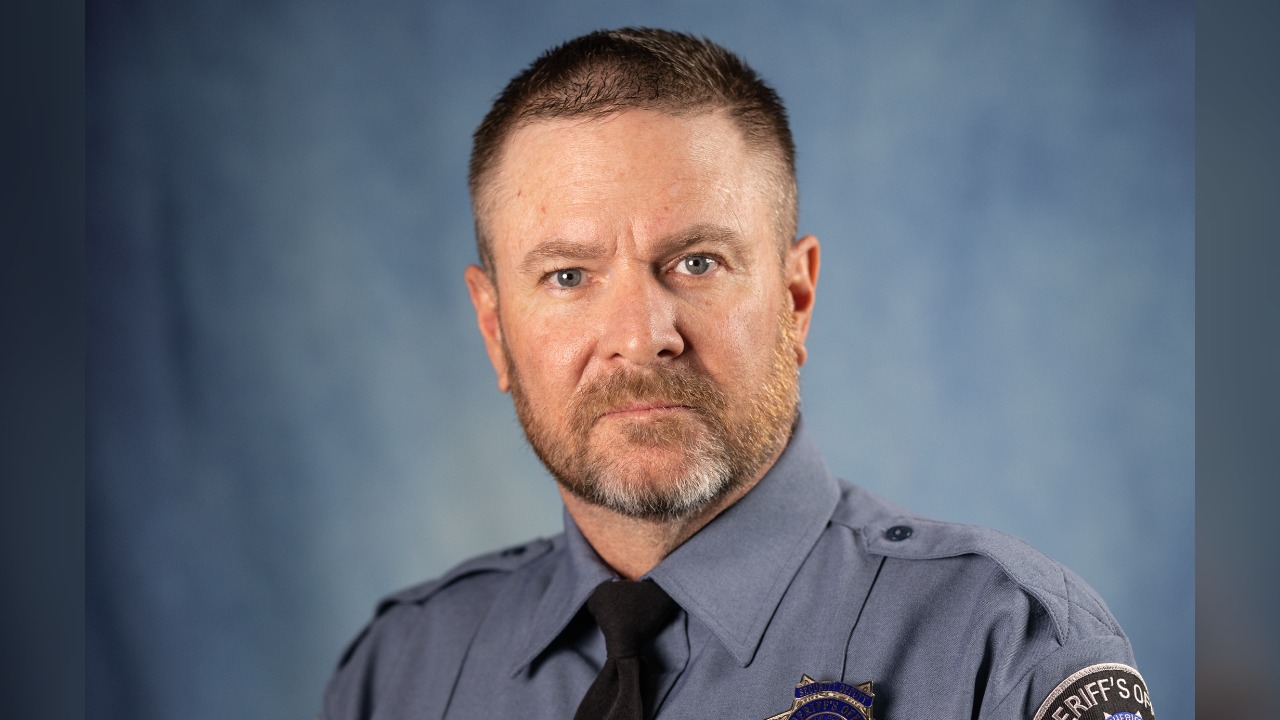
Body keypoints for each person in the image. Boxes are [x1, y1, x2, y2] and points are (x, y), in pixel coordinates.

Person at [321, 28, 1155, 720]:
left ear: (796, 298)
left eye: (695, 261)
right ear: (496, 329)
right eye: (568, 276)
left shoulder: (1004, 648)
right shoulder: (403, 672)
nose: (640, 337)